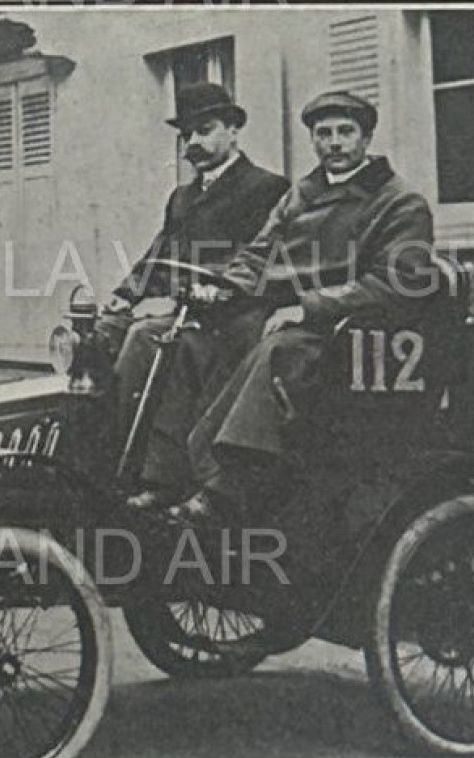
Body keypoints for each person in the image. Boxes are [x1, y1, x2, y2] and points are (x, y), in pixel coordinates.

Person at [171, 89, 438, 522]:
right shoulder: (300, 194)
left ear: (366, 139)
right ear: (312, 140)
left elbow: (397, 284)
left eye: (345, 133)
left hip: (357, 334)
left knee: (280, 349)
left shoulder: (399, 202)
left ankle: (225, 489)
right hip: (299, 318)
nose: (334, 143)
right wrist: (225, 288)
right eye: (323, 133)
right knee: (193, 339)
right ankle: (177, 475)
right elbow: (259, 254)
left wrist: (309, 306)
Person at [100, 82, 288, 507]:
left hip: (240, 313)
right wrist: (124, 296)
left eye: (205, 130)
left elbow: (267, 256)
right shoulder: (182, 197)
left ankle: (169, 478)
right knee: (105, 336)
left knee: (153, 340)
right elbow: (159, 253)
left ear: (234, 130)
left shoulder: (267, 188)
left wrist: (219, 288)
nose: (194, 144)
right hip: (188, 308)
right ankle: (113, 461)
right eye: (187, 136)